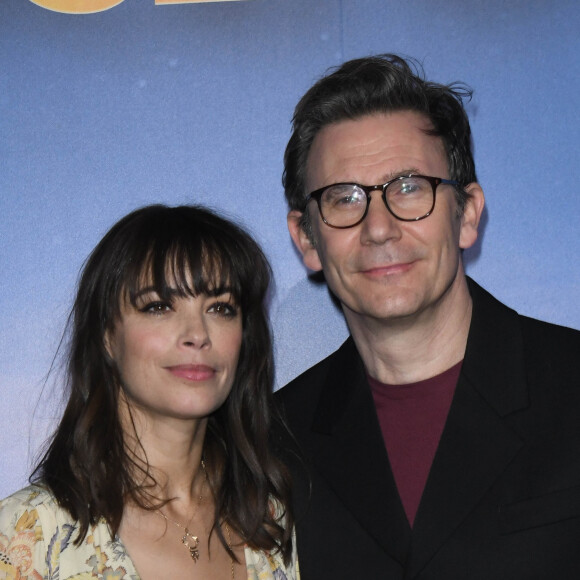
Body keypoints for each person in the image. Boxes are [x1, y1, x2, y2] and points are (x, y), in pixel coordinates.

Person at [276, 54, 580, 579]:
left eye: (410, 188)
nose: (379, 228)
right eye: (344, 198)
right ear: (307, 239)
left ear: (467, 214)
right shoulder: (273, 442)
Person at [0, 204, 299, 580]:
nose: (197, 334)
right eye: (159, 306)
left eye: (221, 308)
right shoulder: (27, 536)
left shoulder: (272, 522)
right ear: (108, 336)